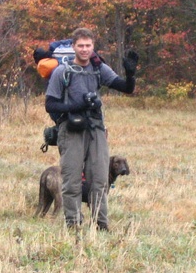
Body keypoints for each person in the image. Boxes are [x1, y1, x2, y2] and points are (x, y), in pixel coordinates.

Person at [45, 27, 138, 231]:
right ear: (73, 47)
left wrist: (131, 73)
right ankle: (73, 224)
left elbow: (127, 88)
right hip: (71, 131)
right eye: (81, 46)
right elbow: (50, 105)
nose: (85, 49)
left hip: (96, 130)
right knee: (71, 180)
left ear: (93, 46)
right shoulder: (63, 71)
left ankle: (101, 225)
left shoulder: (99, 69)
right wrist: (76, 107)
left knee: (99, 180)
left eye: (88, 45)